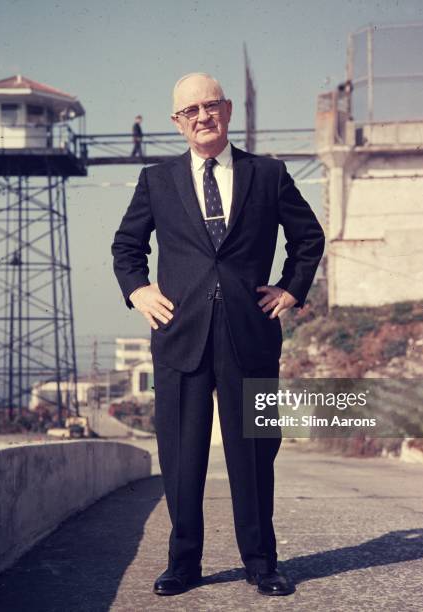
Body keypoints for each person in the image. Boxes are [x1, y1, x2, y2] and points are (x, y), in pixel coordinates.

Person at [111, 72, 325, 597]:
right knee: (182, 457)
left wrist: (291, 290)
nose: (202, 117)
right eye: (191, 111)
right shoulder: (156, 181)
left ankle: (261, 563)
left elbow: (308, 237)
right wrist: (138, 291)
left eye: (211, 107)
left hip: (248, 335)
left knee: (254, 450)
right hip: (179, 335)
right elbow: (126, 246)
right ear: (177, 122)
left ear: (227, 110)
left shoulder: (268, 175)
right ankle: (183, 564)